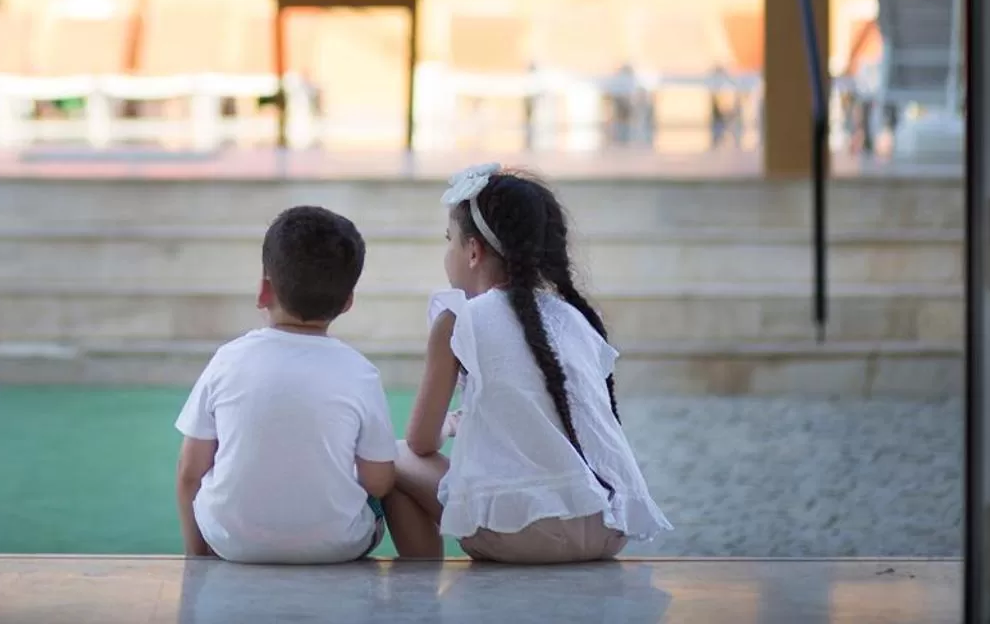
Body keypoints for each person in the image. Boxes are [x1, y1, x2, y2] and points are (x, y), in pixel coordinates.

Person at [387, 164, 670, 562]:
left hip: (519, 535)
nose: (446, 252)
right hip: (609, 526)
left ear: (472, 251)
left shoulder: (457, 318)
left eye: (449, 240)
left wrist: (452, 422)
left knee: (395, 457)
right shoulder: (573, 318)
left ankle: (417, 597)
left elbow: (420, 442)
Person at [174, 206, 406, 564]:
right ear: (348, 303)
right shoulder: (361, 372)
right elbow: (378, 482)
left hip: (230, 542)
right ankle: (424, 575)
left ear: (264, 290)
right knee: (389, 471)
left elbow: (190, 472)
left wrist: (197, 556)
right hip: (337, 546)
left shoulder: (227, 359)